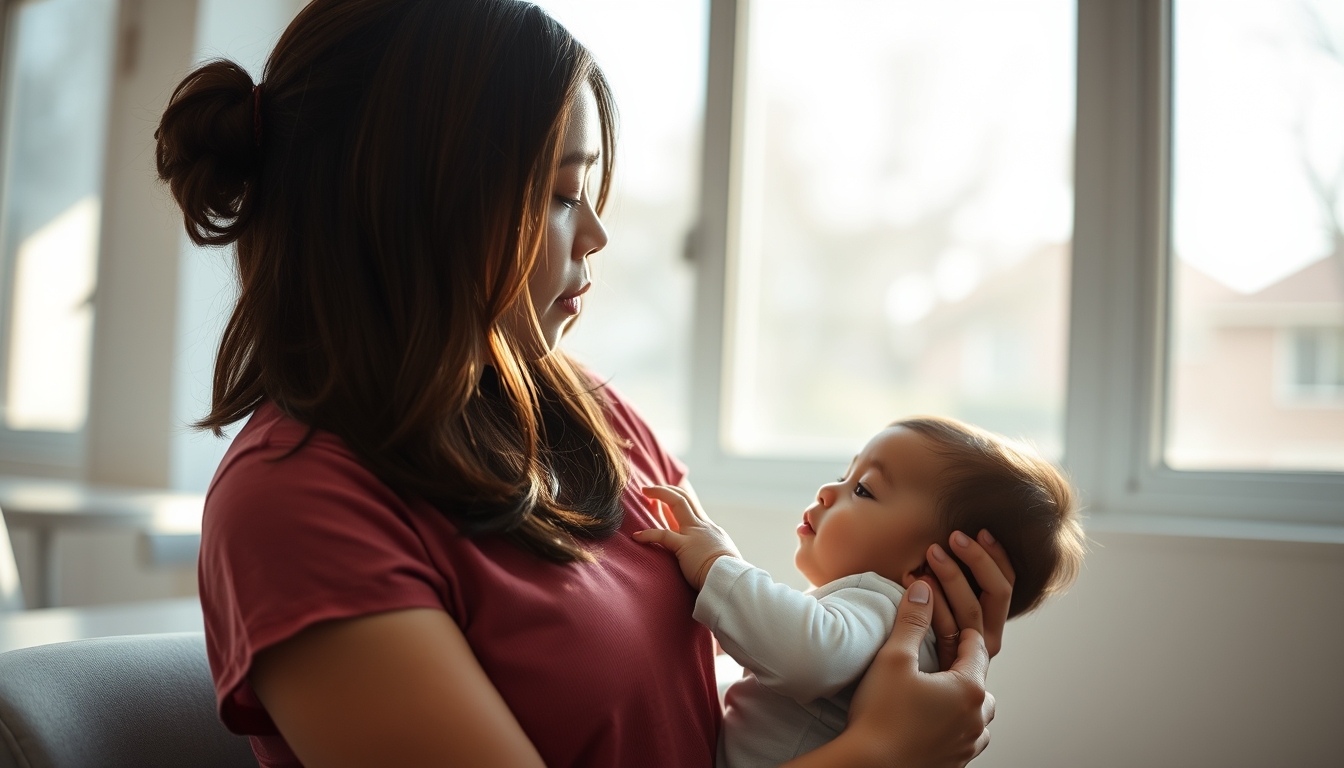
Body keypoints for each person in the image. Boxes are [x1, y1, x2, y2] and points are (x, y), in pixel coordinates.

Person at [153, 1, 1011, 766]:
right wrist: (881, 754)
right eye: (561, 194)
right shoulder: (298, 507)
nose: (597, 233)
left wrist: (915, 637)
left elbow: (710, 720)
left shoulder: (594, 416)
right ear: (413, 209)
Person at [637, 416, 1087, 767]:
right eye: (845, 474)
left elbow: (803, 654)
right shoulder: (896, 632)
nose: (829, 491)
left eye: (864, 490)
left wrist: (719, 565)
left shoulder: (881, 601)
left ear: (931, 565)